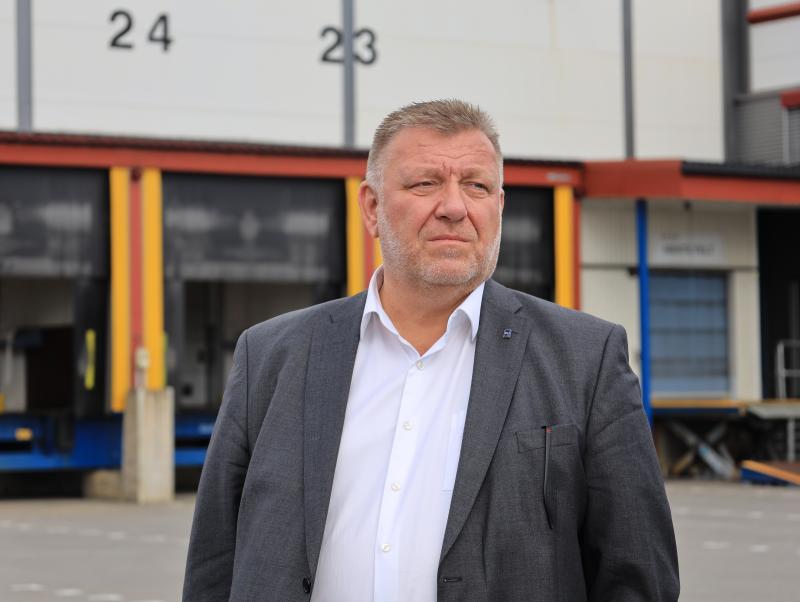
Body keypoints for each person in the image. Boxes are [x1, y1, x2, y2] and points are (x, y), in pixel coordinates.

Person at [183, 99, 679, 601]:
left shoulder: (586, 360)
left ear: (499, 206)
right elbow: (214, 565)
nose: (454, 207)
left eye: (476, 186)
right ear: (372, 208)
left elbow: (638, 578)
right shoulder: (270, 356)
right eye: (425, 183)